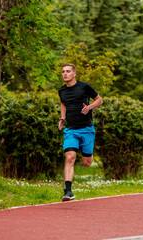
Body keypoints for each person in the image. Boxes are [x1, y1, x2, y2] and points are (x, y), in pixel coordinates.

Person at [58, 63, 103, 202]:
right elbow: (63, 104)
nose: (65, 74)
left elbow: (99, 100)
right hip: (71, 130)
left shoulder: (84, 87)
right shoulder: (61, 91)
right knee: (70, 157)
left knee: (87, 162)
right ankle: (68, 191)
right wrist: (63, 117)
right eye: (63, 72)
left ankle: (88, 152)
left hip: (87, 129)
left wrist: (89, 107)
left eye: (68, 71)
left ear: (74, 74)